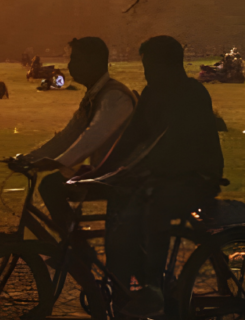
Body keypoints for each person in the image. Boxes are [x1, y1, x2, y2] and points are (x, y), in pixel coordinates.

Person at [88, 35, 225, 318]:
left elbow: (170, 143)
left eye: (150, 67)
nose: (147, 73)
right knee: (124, 208)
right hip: (164, 174)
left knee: (154, 203)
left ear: (171, 66)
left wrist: (135, 170)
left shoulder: (192, 93)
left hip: (196, 176)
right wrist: (100, 171)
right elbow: (130, 138)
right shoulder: (152, 93)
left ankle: (154, 287)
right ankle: (129, 283)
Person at [15, 37, 136, 233]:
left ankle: (76, 250)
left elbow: (92, 136)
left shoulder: (114, 96)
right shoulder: (95, 95)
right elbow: (68, 135)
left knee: (51, 186)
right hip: (106, 170)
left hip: (119, 175)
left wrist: (59, 162)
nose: (70, 65)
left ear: (93, 62)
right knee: (50, 186)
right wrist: (30, 158)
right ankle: (73, 247)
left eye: (75, 59)